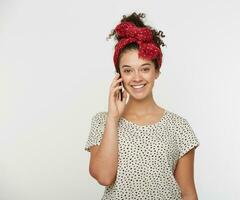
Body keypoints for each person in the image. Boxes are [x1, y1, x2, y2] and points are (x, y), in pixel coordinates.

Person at [84, 12, 200, 200]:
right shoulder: (102, 122)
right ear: (119, 75)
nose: (137, 78)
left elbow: (188, 193)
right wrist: (113, 119)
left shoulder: (179, 127)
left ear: (156, 72)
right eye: (128, 70)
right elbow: (104, 177)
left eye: (145, 69)